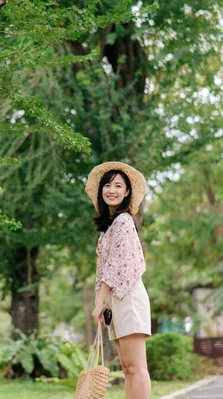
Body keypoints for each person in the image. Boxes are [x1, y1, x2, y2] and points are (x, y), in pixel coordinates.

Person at [85, 161, 151, 399]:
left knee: (136, 367)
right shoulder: (109, 227)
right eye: (107, 185)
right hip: (116, 300)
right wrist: (101, 301)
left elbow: (115, 266)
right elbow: (102, 268)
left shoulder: (123, 221)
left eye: (118, 186)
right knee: (127, 368)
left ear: (127, 192)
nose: (111, 190)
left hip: (128, 298)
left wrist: (99, 301)